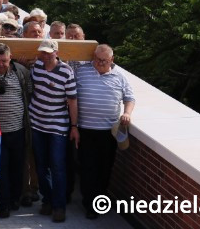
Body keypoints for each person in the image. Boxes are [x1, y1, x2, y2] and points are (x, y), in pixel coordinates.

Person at [75, 44, 135, 219]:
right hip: (85, 129)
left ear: (111, 60)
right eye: (97, 59)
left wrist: (127, 113)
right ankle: (89, 203)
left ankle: (99, 201)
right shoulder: (82, 71)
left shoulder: (120, 77)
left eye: (104, 61)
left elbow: (130, 98)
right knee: (87, 168)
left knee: (105, 168)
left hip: (108, 132)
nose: (100, 63)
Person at [29, 39, 78, 223]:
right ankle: (47, 200)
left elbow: (72, 100)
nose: (45, 55)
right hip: (37, 123)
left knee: (57, 166)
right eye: (43, 52)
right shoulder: (37, 67)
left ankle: (59, 206)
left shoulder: (66, 72)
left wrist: (74, 126)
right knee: (41, 166)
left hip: (57, 125)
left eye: (49, 52)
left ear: (56, 52)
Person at [0, 43, 32, 218]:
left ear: (11, 57)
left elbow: (29, 93)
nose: (1, 64)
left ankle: (15, 198)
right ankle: (3, 204)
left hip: (18, 130)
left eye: (4, 60)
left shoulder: (21, 72)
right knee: (1, 170)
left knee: (17, 167)